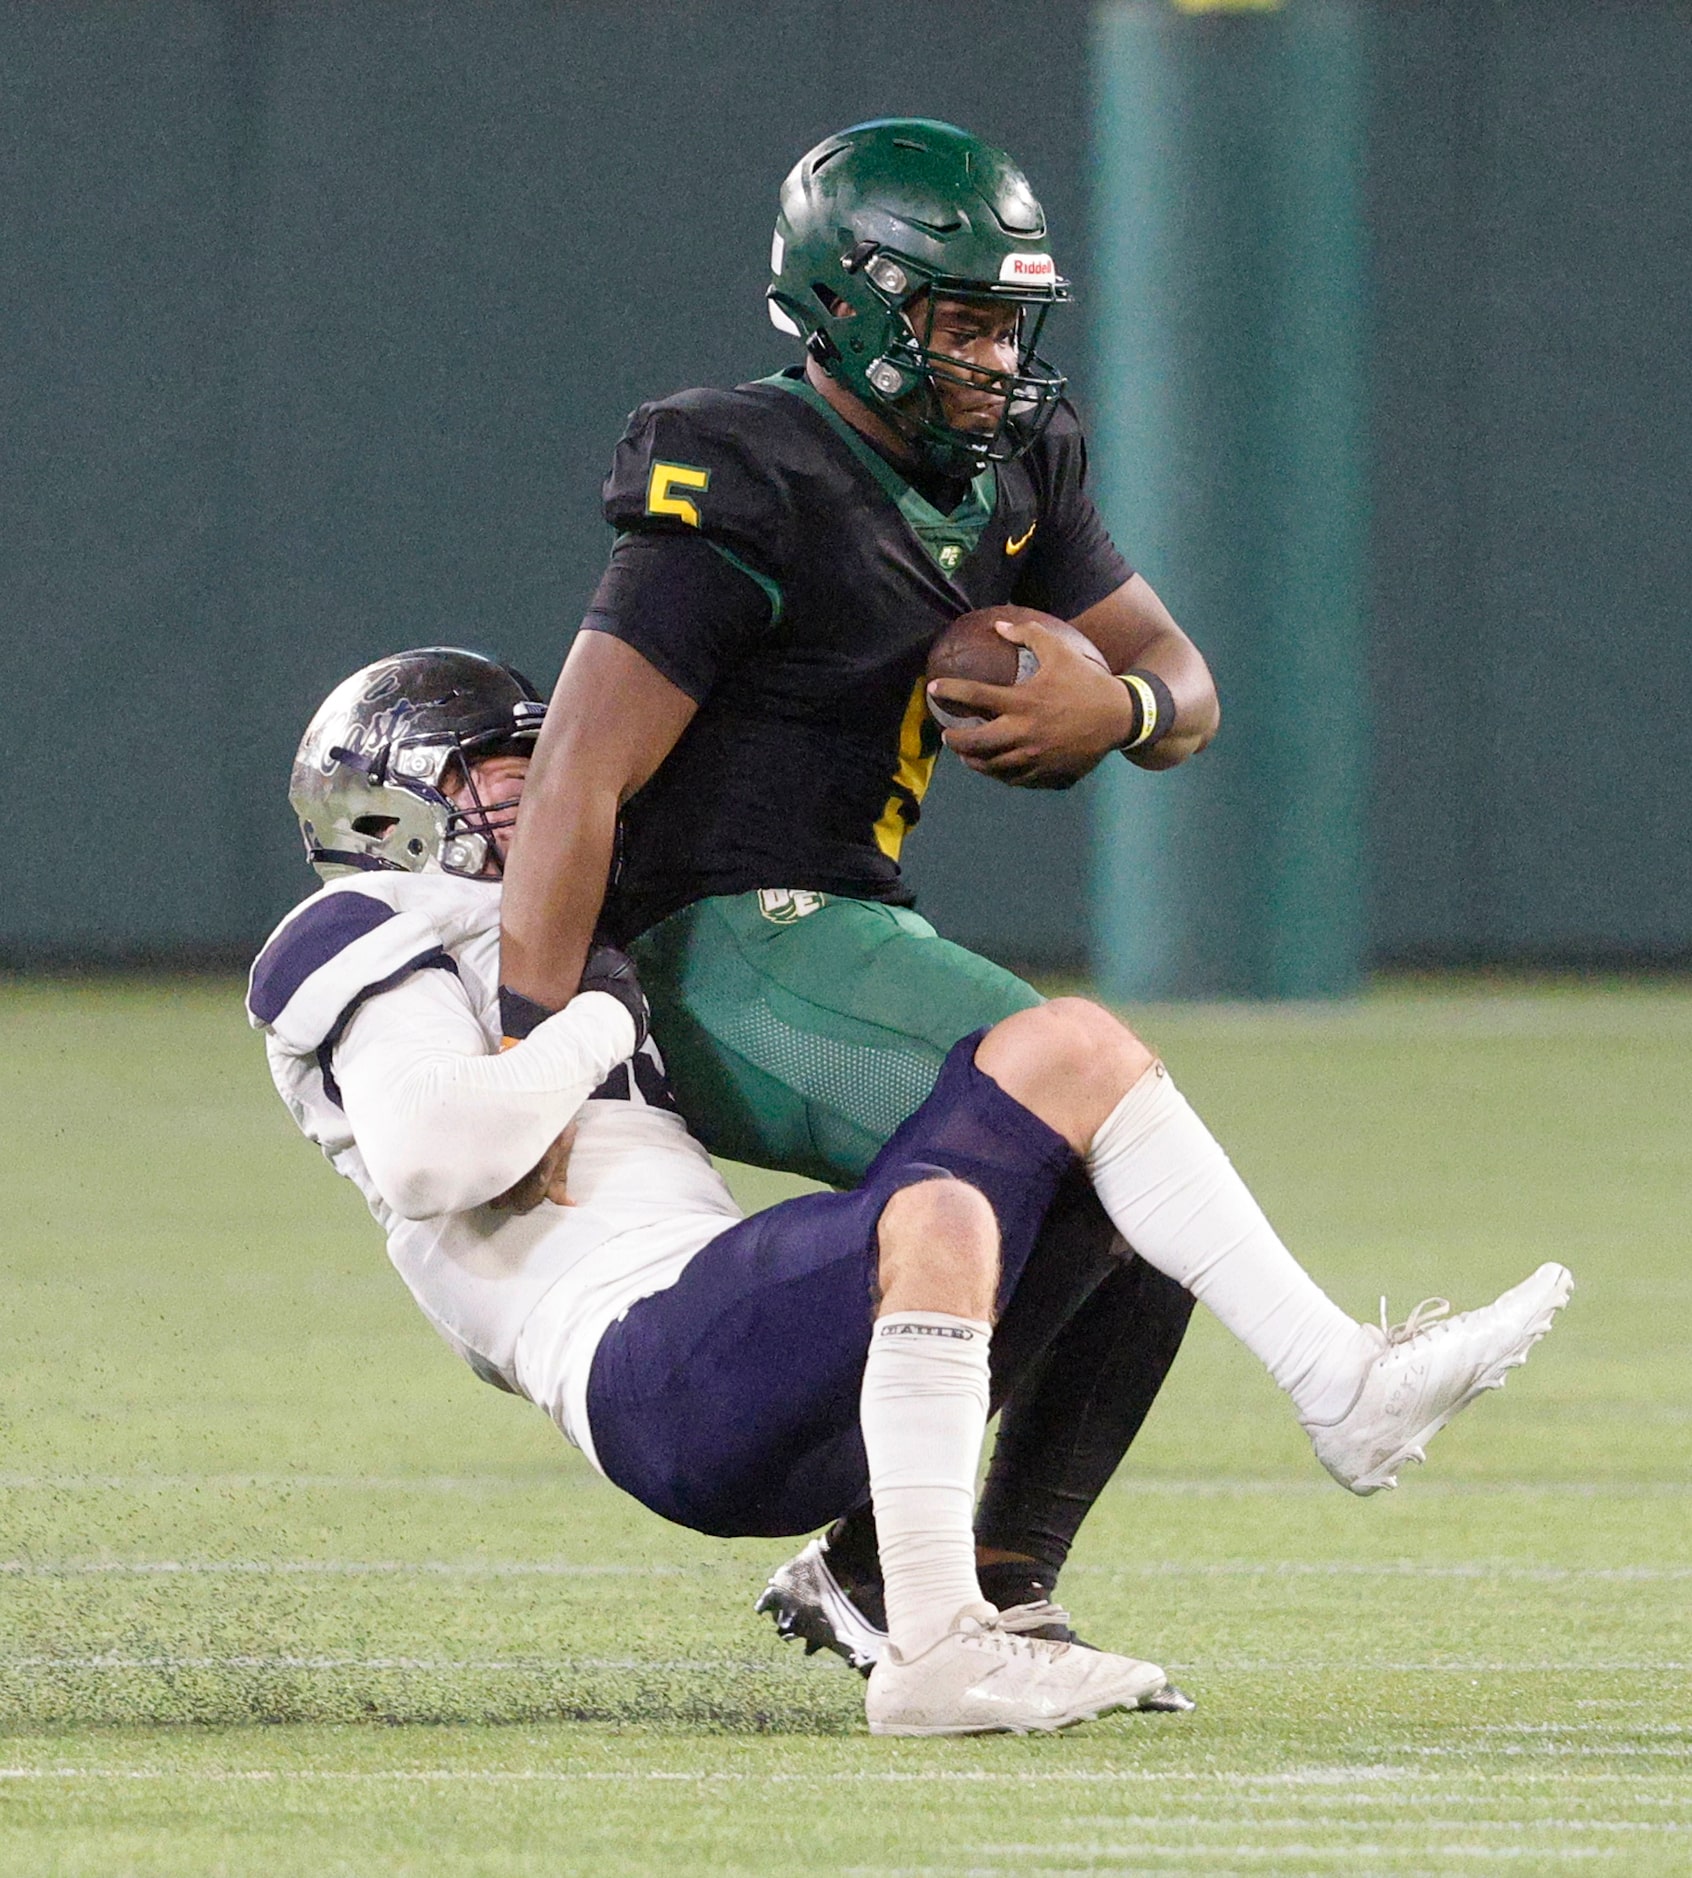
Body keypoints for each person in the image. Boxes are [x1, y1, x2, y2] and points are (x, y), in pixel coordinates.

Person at [251, 650, 1573, 1737]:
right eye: (500, 775)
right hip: (649, 1368)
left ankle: (950, 1566)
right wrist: (596, 1018)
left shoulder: (561, 931)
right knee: (940, 1212)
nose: (540, 797)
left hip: (761, 1368)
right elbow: (434, 1155)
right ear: (386, 813)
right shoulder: (356, 928)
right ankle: (939, 1650)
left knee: (1101, 1124)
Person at [497, 118, 1223, 1671]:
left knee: (1146, 1166)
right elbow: (575, 780)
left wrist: (1130, 715)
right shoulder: (744, 470)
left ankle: (991, 1575)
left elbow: (1183, 677)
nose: (991, 363)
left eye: (1007, 326)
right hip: (714, 949)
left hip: (852, 926)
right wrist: (534, 1063)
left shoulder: (1019, 462)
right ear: (850, 306)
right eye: (958, 324)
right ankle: (887, 1572)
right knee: (1099, 1141)